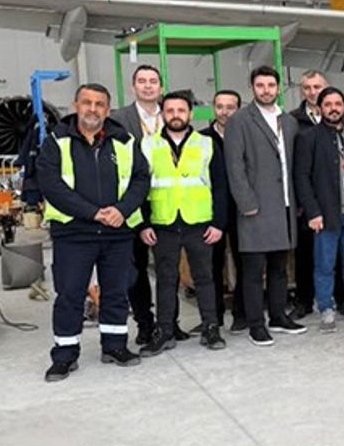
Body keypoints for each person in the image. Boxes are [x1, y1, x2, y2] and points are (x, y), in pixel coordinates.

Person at [38, 83, 150, 382]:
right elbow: (51, 185)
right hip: (74, 232)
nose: (92, 109)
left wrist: (122, 210)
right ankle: (64, 355)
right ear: (76, 106)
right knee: (70, 294)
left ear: (107, 110)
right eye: (86, 102)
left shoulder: (124, 141)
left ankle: (114, 346)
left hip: (116, 232)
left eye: (99, 104)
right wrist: (93, 213)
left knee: (116, 292)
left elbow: (140, 178)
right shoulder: (56, 141)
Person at [138, 92, 228, 355]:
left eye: (181, 110)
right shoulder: (149, 145)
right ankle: (165, 330)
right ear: (163, 114)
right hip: (163, 222)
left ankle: (211, 327)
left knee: (205, 277)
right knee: (166, 279)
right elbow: (140, 186)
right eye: (170, 110)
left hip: (199, 222)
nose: (175, 115)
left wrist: (218, 223)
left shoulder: (206, 144)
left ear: (190, 113)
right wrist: (144, 224)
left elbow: (220, 186)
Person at [225, 65, 306, 346]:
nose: (266, 90)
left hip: (284, 205)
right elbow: (234, 166)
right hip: (256, 206)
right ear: (252, 88)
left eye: (271, 85)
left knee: (279, 267)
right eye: (260, 85)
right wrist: (246, 202)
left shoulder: (289, 121)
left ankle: (278, 316)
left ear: (278, 88)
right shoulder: (240, 121)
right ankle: (256, 324)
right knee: (253, 270)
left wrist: (297, 201)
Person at [294, 87, 344, 333]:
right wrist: (312, 212)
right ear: (320, 108)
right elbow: (302, 177)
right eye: (328, 104)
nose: (333, 109)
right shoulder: (308, 137)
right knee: (324, 264)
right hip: (327, 212)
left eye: (338, 104)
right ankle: (326, 308)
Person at [111, 64, 163, 345]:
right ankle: (145, 323)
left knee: (167, 267)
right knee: (136, 269)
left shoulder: (172, 113)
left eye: (153, 81)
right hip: (134, 202)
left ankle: (169, 323)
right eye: (142, 81)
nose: (148, 86)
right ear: (134, 87)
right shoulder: (119, 120)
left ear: (161, 87)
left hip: (168, 201)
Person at [201, 90, 244, 331]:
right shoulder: (201, 138)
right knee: (211, 265)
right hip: (211, 211)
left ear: (238, 109)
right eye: (220, 106)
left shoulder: (246, 135)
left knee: (244, 263)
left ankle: (242, 314)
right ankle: (213, 317)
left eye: (230, 107)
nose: (224, 112)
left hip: (242, 209)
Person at [288, 69, 327, 319]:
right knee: (305, 253)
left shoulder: (340, 115)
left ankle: (339, 298)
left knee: (335, 251)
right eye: (307, 88)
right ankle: (304, 300)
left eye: (317, 87)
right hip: (305, 197)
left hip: (335, 196)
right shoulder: (292, 121)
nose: (312, 92)